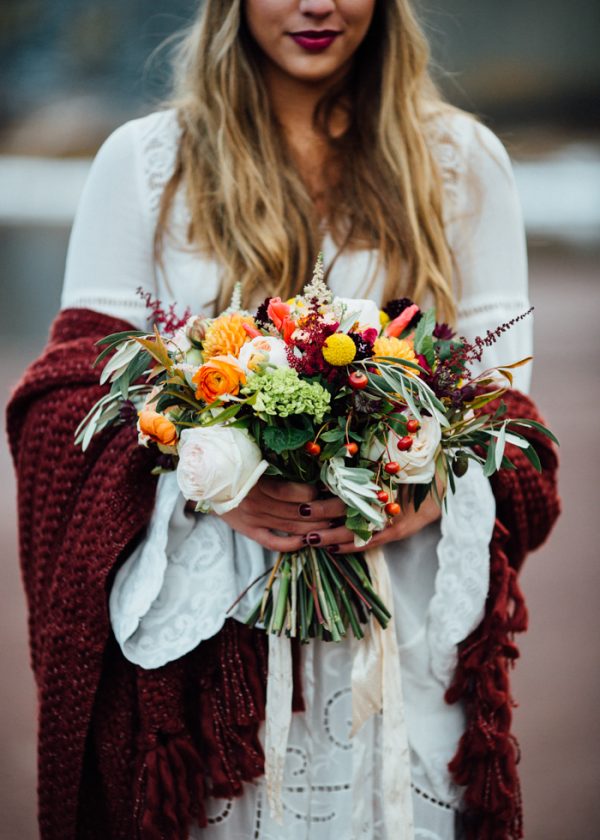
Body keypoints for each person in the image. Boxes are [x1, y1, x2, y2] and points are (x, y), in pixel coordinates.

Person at [7, 2, 561, 839]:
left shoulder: (460, 161)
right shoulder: (148, 163)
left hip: (398, 636)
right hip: (203, 657)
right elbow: (64, 402)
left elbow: (511, 419)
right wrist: (213, 479)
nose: (316, 5)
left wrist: (424, 493)